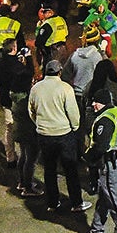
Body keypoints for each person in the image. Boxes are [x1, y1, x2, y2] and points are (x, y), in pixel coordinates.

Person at [29, 59, 89, 213]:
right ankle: (76, 202)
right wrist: (75, 127)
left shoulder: (36, 88)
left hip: (44, 134)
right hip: (63, 134)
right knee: (70, 169)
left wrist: (40, 124)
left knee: (49, 169)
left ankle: (53, 202)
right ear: (59, 71)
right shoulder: (65, 88)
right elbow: (73, 113)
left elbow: (31, 111)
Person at [82, 88, 117, 233]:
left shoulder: (105, 120)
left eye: (96, 102)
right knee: (105, 196)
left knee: (115, 201)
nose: (94, 105)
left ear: (102, 103)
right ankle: (96, 231)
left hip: (111, 163)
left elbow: (100, 147)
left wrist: (87, 158)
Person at [0, 38, 33, 166]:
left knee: (9, 128)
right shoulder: (16, 66)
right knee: (22, 128)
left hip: (5, 99)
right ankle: (24, 157)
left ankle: (10, 157)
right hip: (19, 101)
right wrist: (29, 58)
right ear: (14, 48)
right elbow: (28, 74)